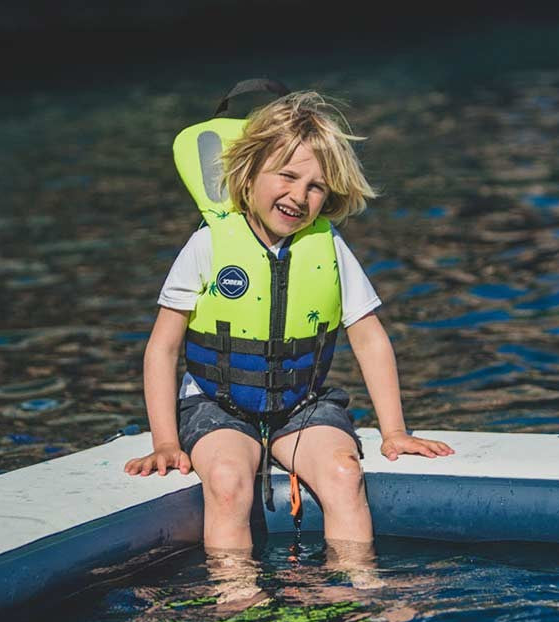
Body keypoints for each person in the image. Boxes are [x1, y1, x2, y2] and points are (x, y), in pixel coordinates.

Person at [124, 88, 453, 553]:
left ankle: (355, 585)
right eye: (287, 176)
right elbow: (162, 348)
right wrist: (164, 441)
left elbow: (370, 340)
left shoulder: (328, 246)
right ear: (250, 171)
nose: (299, 196)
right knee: (227, 480)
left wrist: (395, 431)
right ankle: (236, 594)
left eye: (316, 186)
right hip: (216, 405)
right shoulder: (209, 244)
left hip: (303, 404)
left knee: (344, 474)